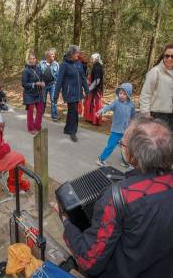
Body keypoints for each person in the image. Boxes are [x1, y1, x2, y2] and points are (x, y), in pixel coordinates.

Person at [61, 116, 173, 278]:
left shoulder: (119, 196)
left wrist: (67, 223)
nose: (122, 148)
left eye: (123, 144)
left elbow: (88, 261)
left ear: (133, 156)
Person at [54, 45, 89, 142]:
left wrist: (86, 90)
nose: (79, 54)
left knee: (71, 111)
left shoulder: (78, 63)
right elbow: (59, 81)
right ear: (72, 54)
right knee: (74, 112)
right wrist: (55, 96)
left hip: (78, 92)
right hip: (69, 93)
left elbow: (83, 78)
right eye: (77, 53)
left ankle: (67, 129)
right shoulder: (64, 65)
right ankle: (73, 132)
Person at [96, 83, 135, 167]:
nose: (122, 95)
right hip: (116, 130)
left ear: (129, 94)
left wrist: (133, 123)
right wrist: (101, 111)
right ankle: (101, 159)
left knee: (125, 147)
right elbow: (108, 107)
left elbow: (133, 115)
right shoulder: (116, 102)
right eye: (120, 93)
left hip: (125, 131)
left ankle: (124, 161)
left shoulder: (131, 104)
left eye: (124, 94)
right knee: (110, 145)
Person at [140, 43, 173, 131]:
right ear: (163, 56)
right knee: (157, 144)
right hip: (157, 115)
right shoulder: (155, 71)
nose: (169, 58)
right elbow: (145, 94)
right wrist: (145, 114)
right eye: (167, 56)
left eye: (172, 56)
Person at [22, 53, 45, 134]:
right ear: (28, 60)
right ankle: (31, 128)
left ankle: (37, 126)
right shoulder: (26, 70)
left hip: (38, 93)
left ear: (36, 59)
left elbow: (42, 78)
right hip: (29, 94)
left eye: (33, 58)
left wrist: (43, 83)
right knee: (30, 112)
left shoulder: (38, 68)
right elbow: (24, 84)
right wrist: (34, 84)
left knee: (40, 110)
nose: (32, 60)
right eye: (30, 59)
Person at [39, 48, 59, 121]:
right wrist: (41, 82)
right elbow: (38, 74)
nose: (53, 56)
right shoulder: (41, 63)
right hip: (43, 85)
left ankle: (54, 116)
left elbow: (58, 76)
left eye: (54, 54)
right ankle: (41, 113)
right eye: (52, 54)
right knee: (43, 100)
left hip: (52, 85)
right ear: (47, 55)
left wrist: (57, 84)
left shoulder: (56, 64)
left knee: (53, 100)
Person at [84, 53, 104, 125]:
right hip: (95, 89)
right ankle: (92, 119)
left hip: (95, 90)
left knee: (94, 105)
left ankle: (94, 120)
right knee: (91, 104)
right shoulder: (97, 65)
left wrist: (89, 88)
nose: (91, 59)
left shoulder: (97, 66)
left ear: (96, 59)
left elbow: (97, 80)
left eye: (92, 58)